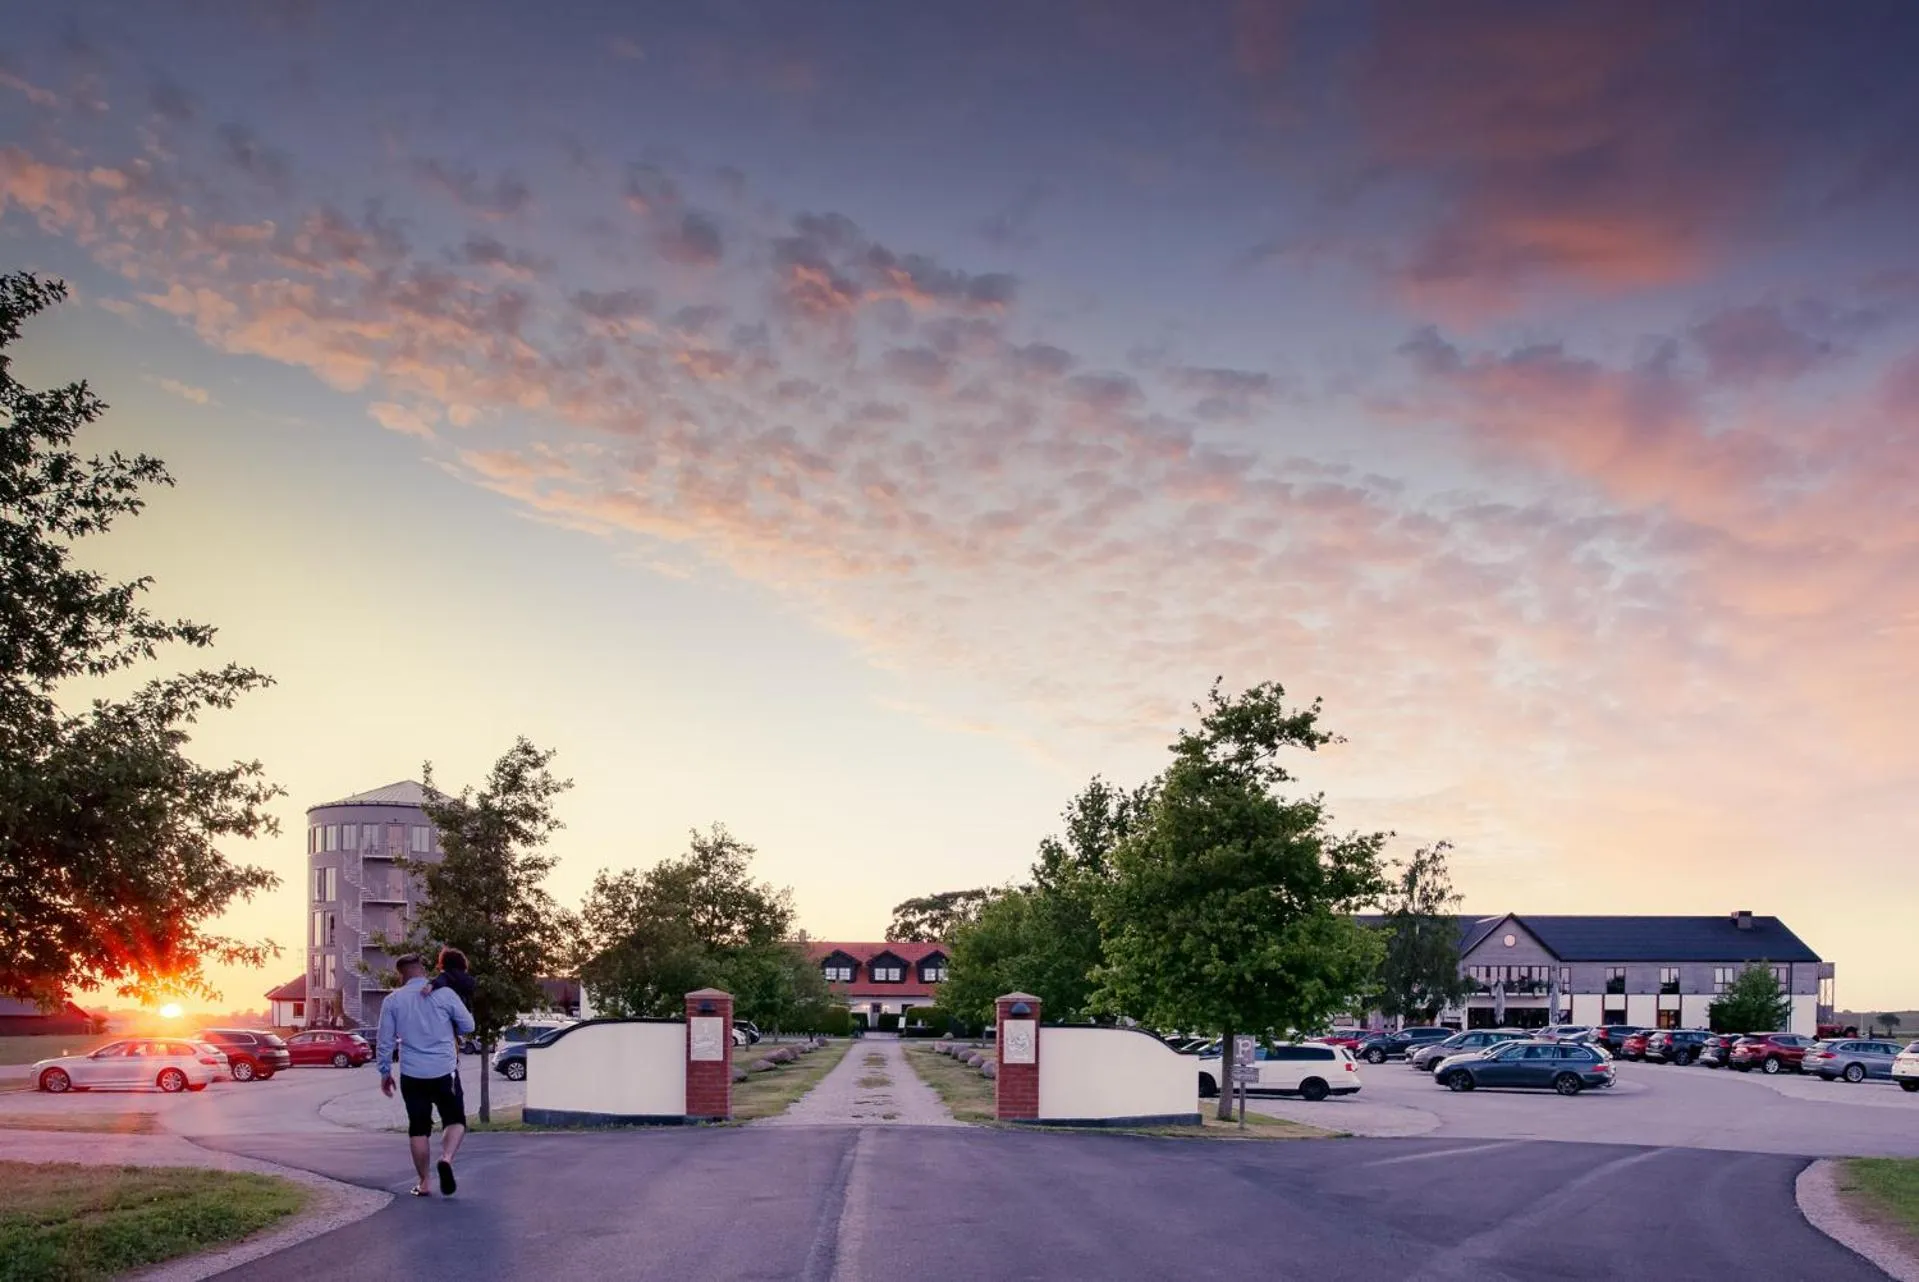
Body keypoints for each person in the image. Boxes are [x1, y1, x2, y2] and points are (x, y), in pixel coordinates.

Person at [377, 953, 474, 1197]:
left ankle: (424, 1183)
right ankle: (447, 1159)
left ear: (402, 974)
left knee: (418, 1128)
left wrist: (385, 1072)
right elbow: (469, 1026)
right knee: (455, 1121)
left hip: (412, 1073)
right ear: (421, 969)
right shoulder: (445, 994)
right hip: (444, 1070)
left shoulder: (392, 1001)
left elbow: (385, 1041)